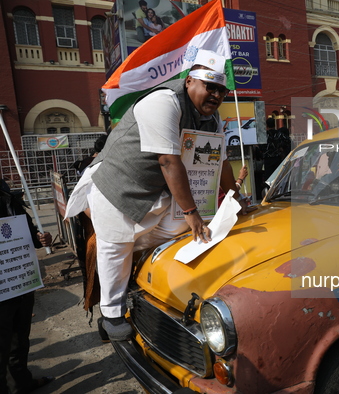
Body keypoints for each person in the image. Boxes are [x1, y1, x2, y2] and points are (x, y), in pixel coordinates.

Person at [65, 49, 250, 342]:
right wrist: (192, 214)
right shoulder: (163, 102)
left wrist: (237, 197)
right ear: (190, 82)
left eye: (222, 91)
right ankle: (111, 313)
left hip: (158, 193)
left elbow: (221, 162)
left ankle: (136, 265)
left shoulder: (211, 120)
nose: (216, 96)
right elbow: (168, 161)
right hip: (118, 184)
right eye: (210, 87)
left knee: (179, 230)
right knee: (117, 244)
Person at [0, 180, 53, 394]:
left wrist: (41, 239)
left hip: (20, 283)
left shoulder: (11, 199)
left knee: (20, 340)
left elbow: (30, 236)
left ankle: (22, 383)